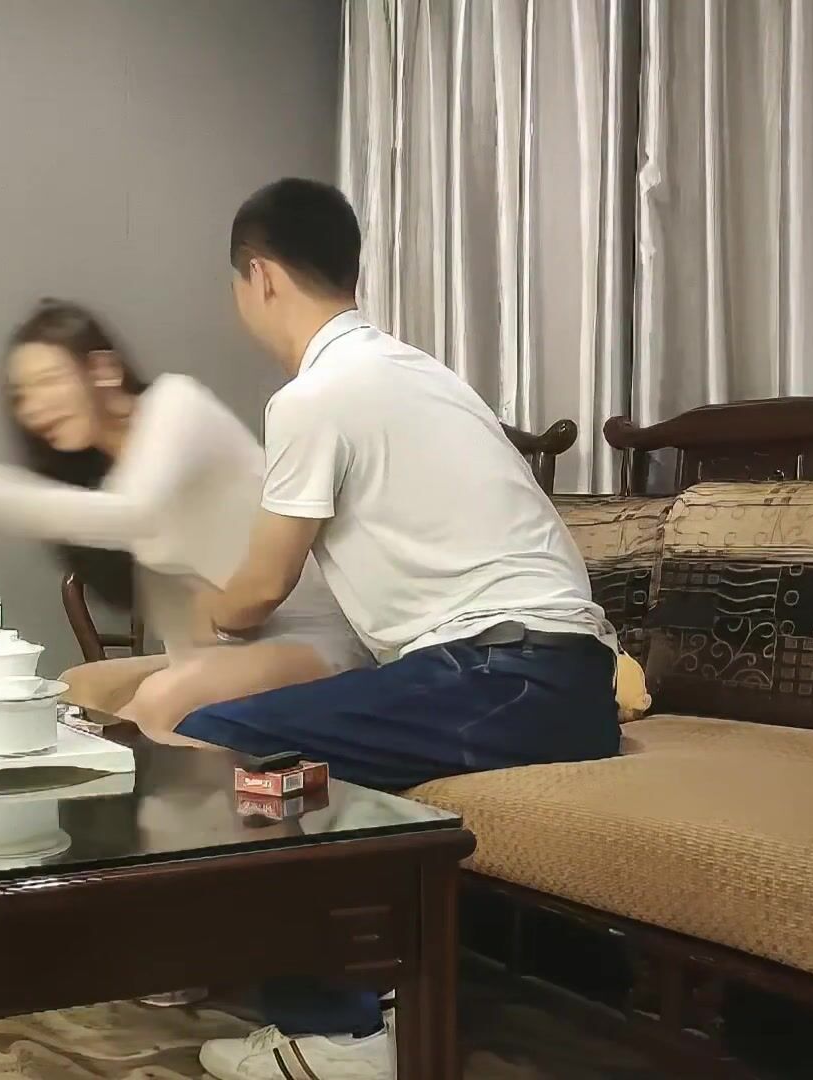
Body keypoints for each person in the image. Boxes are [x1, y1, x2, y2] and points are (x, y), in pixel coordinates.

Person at [178, 180, 622, 1080]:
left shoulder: (314, 397)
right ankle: (365, 984)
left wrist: (205, 612)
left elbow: (260, 588)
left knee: (222, 742)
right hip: (568, 685)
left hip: (502, 677)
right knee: (313, 751)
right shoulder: (422, 374)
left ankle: (336, 1038)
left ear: (260, 277)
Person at [0, 299, 373, 737]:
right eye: (22, 395)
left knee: (158, 702)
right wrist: (196, 671)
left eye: (49, 381)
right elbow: (181, 624)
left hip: (319, 636)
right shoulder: (113, 476)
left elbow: (137, 514)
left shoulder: (176, 404)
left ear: (103, 370)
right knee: (76, 689)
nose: (35, 408)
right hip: (238, 643)